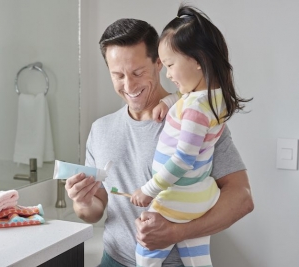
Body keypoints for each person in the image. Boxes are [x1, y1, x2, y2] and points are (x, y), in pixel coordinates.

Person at [65, 15, 254, 267]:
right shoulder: (101, 130)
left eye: (137, 72)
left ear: (159, 64)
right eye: (118, 75)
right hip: (111, 260)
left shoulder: (195, 120)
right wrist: (82, 200)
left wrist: (177, 233)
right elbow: (96, 210)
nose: (129, 84)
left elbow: (242, 199)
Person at [130, 5, 252, 267]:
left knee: (145, 255)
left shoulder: (196, 108)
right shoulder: (215, 99)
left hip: (176, 197)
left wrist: (148, 190)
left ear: (197, 61)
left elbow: (184, 159)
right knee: (197, 260)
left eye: (171, 64)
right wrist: (171, 101)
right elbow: (192, 99)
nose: (168, 74)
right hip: (200, 199)